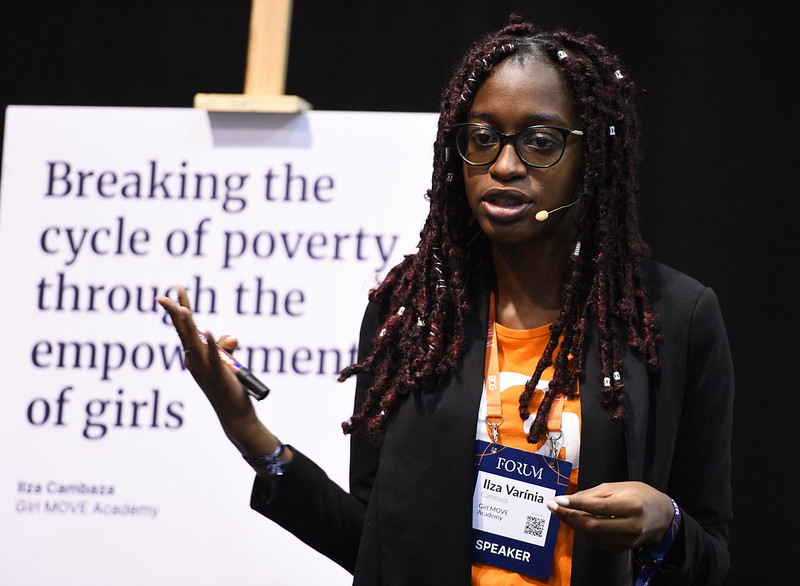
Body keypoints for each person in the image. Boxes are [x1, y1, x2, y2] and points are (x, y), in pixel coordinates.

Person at [157, 16, 732, 586]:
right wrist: (245, 429)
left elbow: (713, 554)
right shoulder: (413, 315)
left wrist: (666, 523)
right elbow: (373, 543)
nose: (504, 166)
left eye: (539, 141)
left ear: (591, 158)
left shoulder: (673, 319)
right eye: (482, 139)